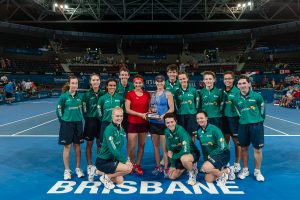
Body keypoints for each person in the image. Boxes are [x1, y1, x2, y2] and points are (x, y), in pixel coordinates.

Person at [88, 107, 133, 189]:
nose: (119, 118)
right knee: (128, 169)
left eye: (121, 116)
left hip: (113, 160)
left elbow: (119, 147)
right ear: (112, 116)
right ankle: (106, 177)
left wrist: (126, 160)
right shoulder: (109, 129)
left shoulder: (121, 129)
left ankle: (95, 171)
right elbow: (114, 150)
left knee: (120, 181)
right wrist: (124, 161)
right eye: (117, 116)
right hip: (103, 161)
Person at [233, 75, 265, 182]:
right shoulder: (236, 99)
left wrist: (258, 120)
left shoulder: (257, 96)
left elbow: (262, 110)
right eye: (240, 84)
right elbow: (238, 111)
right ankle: (245, 170)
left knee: (258, 149)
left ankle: (257, 171)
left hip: (256, 126)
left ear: (249, 84)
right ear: (237, 86)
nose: (242, 85)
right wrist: (244, 120)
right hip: (243, 126)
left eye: (244, 83)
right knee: (243, 148)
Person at [195, 111, 235, 187]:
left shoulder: (215, 129)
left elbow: (222, 147)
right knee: (208, 179)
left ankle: (222, 175)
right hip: (212, 157)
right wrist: (206, 160)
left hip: (223, 154)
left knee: (205, 167)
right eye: (198, 118)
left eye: (201, 118)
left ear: (206, 118)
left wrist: (210, 157)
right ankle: (228, 170)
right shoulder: (199, 132)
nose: (199, 120)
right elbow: (204, 148)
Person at [56, 75, 85, 180]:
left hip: (78, 124)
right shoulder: (63, 97)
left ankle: (78, 168)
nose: (74, 85)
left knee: (77, 147)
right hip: (66, 124)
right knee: (67, 147)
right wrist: (63, 120)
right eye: (72, 83)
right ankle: (67, 170)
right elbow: (59, 109)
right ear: (69, 84)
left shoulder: (80, 97)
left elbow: (84, 109)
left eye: (76, 83)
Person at [149, 74, 174, 177]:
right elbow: (151, 108)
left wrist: (163, 116)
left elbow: (172, 108)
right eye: (158, 82)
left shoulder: (168, 93)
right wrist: (150, 113)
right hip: (154, 123)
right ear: (155, 83)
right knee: (155, 147)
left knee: (164, 148)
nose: (159, 83)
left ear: (164, 82)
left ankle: (166, 168)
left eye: (161, 81)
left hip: (163, 124)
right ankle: (158, 166)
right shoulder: (153, 94)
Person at [163, 113, 200, 186]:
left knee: (184, 159)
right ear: (165, 123)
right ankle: (188, 166)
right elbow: (169, 149)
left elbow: (185, 150)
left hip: (191, 152)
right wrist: (173, 165)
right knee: (172, 176)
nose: (170, 124)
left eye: (172, 122)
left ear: (175, 121)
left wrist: (174, 156)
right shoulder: (166, 131)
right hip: (179, 153)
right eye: (167, 123)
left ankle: (192, 173)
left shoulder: (181, 131)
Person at [125, 74, 151, 176]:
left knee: (141, 145)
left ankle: (138, 165)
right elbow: (127, 110)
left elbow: (149, 108)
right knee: (131, 147)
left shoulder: (147, 94)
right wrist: (140, 114)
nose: (138, 84)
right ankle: (131, 165)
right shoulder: (129, 94)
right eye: (136, 83)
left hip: (144, 124)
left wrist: (150, 111)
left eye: (140, 83)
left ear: (142, 83)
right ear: (133, 83)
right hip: (132, 123)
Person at [82, 73, 104, 175]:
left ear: (100, 81)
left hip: (100, 122)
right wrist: (89, 119)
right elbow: (84, 110)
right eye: (93, 80)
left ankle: (100, 164)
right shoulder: (86, 95)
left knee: (100, 144)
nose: (95, 82)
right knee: (89, 144)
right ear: (90, 82)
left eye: (97, 80)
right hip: (90, 122)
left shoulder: (103, 94)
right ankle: (89, 165)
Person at [222, 71, 241, 173]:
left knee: (237, 142)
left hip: (234, 119)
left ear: (233, 79)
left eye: (229, 78)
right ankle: (227, 161)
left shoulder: (237, 92)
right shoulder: (222, 91)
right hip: (224, 118)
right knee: (226, 141)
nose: (227, 81)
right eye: (226, 79)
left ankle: (237, 163)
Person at [97, 79, 124, 150]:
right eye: (110, 85)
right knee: (102, 144)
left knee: (116, 144)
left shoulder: (120, 98)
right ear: (107, 86)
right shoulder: (102, 98)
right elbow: (99, 113)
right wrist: (104, 119)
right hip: (105, 124)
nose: (112, 87)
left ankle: (115, 160)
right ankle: (101, 160)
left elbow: (122, 111)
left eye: (114, 85)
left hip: (116, 125)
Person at [174, 72, 199, 139]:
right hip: (181, 115)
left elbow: (197, 103)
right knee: (182, 134)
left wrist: (195, 112)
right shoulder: (177, 92)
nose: (182, 80)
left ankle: (192, 149)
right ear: (178, 80)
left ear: (187, 79)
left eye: (184, 78)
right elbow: (176, 104)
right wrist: (178, 112)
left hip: (191, 115)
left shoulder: (193, 90)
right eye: (180, 79)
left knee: (191, 135)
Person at [116, 67, 134, 133]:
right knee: (117, 132)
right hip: (118, 113)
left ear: (128, 76)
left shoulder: (132, 86)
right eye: (122, 75)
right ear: (119, 76)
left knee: (129, 133)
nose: (124, 76)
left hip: (129, 113)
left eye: (126, 75)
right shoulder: (116, 86)